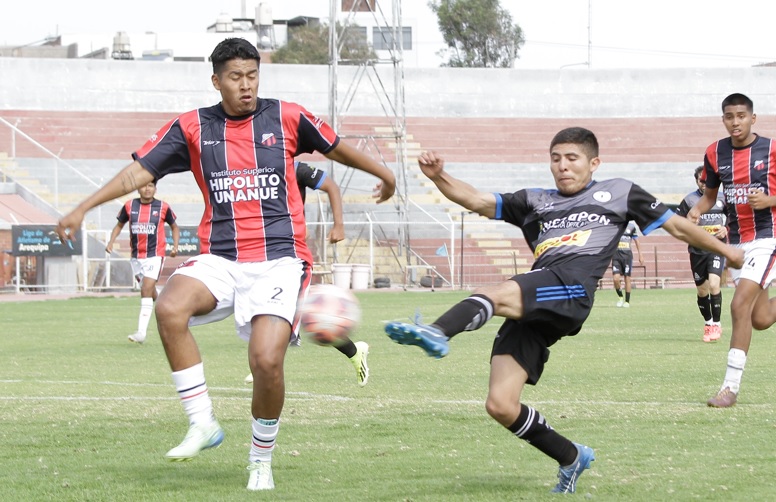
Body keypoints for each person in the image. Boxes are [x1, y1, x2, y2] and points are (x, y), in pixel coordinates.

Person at [55, 38, 395, 491]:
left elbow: (335, 148)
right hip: (221, 256)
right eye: (236, 77)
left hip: (280, 259)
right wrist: (83, 207)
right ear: (216, 81)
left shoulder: (288, 116)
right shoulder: (192, 126)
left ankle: (260, 460)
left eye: (253, 75)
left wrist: (385, 174)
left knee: (266, 361)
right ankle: (202, 422)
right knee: (169, 308)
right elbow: (139, 172)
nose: (246, 85)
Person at [384, 127, 743, 494]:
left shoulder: (620, 192)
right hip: (537, 297)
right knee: (501, 404)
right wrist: (438, 176)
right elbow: (476, 200)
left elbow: (678, 227)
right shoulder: (534, 200)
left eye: (572, 158)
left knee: (496, 292)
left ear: (593, 163)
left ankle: (437, 331)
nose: (562, 166)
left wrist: (728, 251)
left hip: (571, 289)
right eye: (555, 159)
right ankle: (571, 456)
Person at [244, 160, 369, 387]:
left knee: (287, 313)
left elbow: (331, 186)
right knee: (276, 311)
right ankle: (354, 351)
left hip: (293, 255)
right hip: (263, 253)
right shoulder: (254, 171)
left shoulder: (297, 168)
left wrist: (338, 225)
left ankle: (265, 366)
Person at [688, 93, 776, 408]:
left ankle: (729, 388)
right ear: (723, 119)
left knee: (739, 306)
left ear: (753, 118)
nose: (735, 122)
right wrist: (696, 211)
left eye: (741, 116)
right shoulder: (715, 152)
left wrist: (770, 200)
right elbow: (710, 196)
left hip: (768, 238)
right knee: (760, 318)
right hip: (736, 244)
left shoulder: (772, 149)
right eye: (729, 116)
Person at [105, 180, 179, 344]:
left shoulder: (163, 207)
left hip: (155, 255)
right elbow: (119, 225)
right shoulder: (129, 206)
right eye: (144, 185)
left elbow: (175, 227)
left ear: (155, 189)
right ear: (138, 188)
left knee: (146, 289)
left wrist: (175, 246)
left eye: (150, 186)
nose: (147, 189)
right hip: (136, 257)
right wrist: (111, 242)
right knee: (149, 291)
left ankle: (141, 333)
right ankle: (168, 304)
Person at [675, 166, 727, 343]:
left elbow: (734, 219)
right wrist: (689, 225)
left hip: (716, 248)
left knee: (714, 284)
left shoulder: (723, 198)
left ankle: (717, 325)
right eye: (701, 181)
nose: (704, 184)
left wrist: (726, 229)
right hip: (697, 250)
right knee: (702, 290)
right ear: (696, 181)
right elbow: (677, 223)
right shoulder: (689, 200)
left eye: (707, 180)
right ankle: (708, 322)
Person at [611, 220, 643, 307]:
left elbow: (637, 241)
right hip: (616, 255)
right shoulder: (615, 225)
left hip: (627, 256)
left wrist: (640, 255)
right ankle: (620, 297)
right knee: (616, 279)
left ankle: (627, 301)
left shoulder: (631, 226)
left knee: (627, 278)